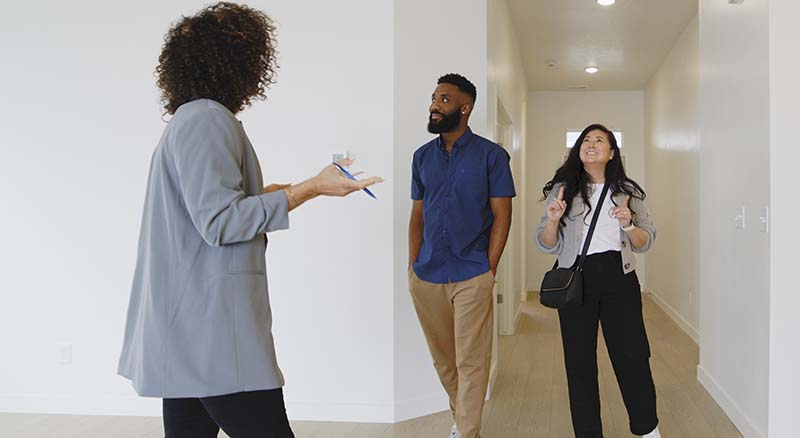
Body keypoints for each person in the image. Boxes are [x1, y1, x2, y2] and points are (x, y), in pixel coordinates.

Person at [116, 3, 382, 437]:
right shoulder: (206, 119)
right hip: (214, 332)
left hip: (187, 328)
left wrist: (286, 192)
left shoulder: (192, 119)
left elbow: (207, 211)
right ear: (238, 63)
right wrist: (310, 188)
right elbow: (220, 222)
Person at [408, 73, 516, 438]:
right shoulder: (421, 157)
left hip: (472, 271)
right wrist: (412, 269)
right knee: (444, 361)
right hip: (427, 275)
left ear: (464, 107)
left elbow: (502, 214)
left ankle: (467, 431)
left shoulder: (492, 156)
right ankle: (463, 421)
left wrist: (490, 267)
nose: (434, 106)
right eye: (434, 98)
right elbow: (417, 216)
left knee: (472, 359)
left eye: (444, 100)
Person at [535, 124, 660, 438]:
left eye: (599, 140)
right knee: (579, 363)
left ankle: (647, 429)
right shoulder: (563, 189)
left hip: (619, 277)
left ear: (612, 152)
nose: (591, 144)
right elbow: (546, 243)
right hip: (577, 278)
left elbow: (645, 242)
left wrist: (629, 225)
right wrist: (551, 220)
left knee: (632, 356)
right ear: (579, 149)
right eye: (586, 140)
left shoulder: (629, 192)